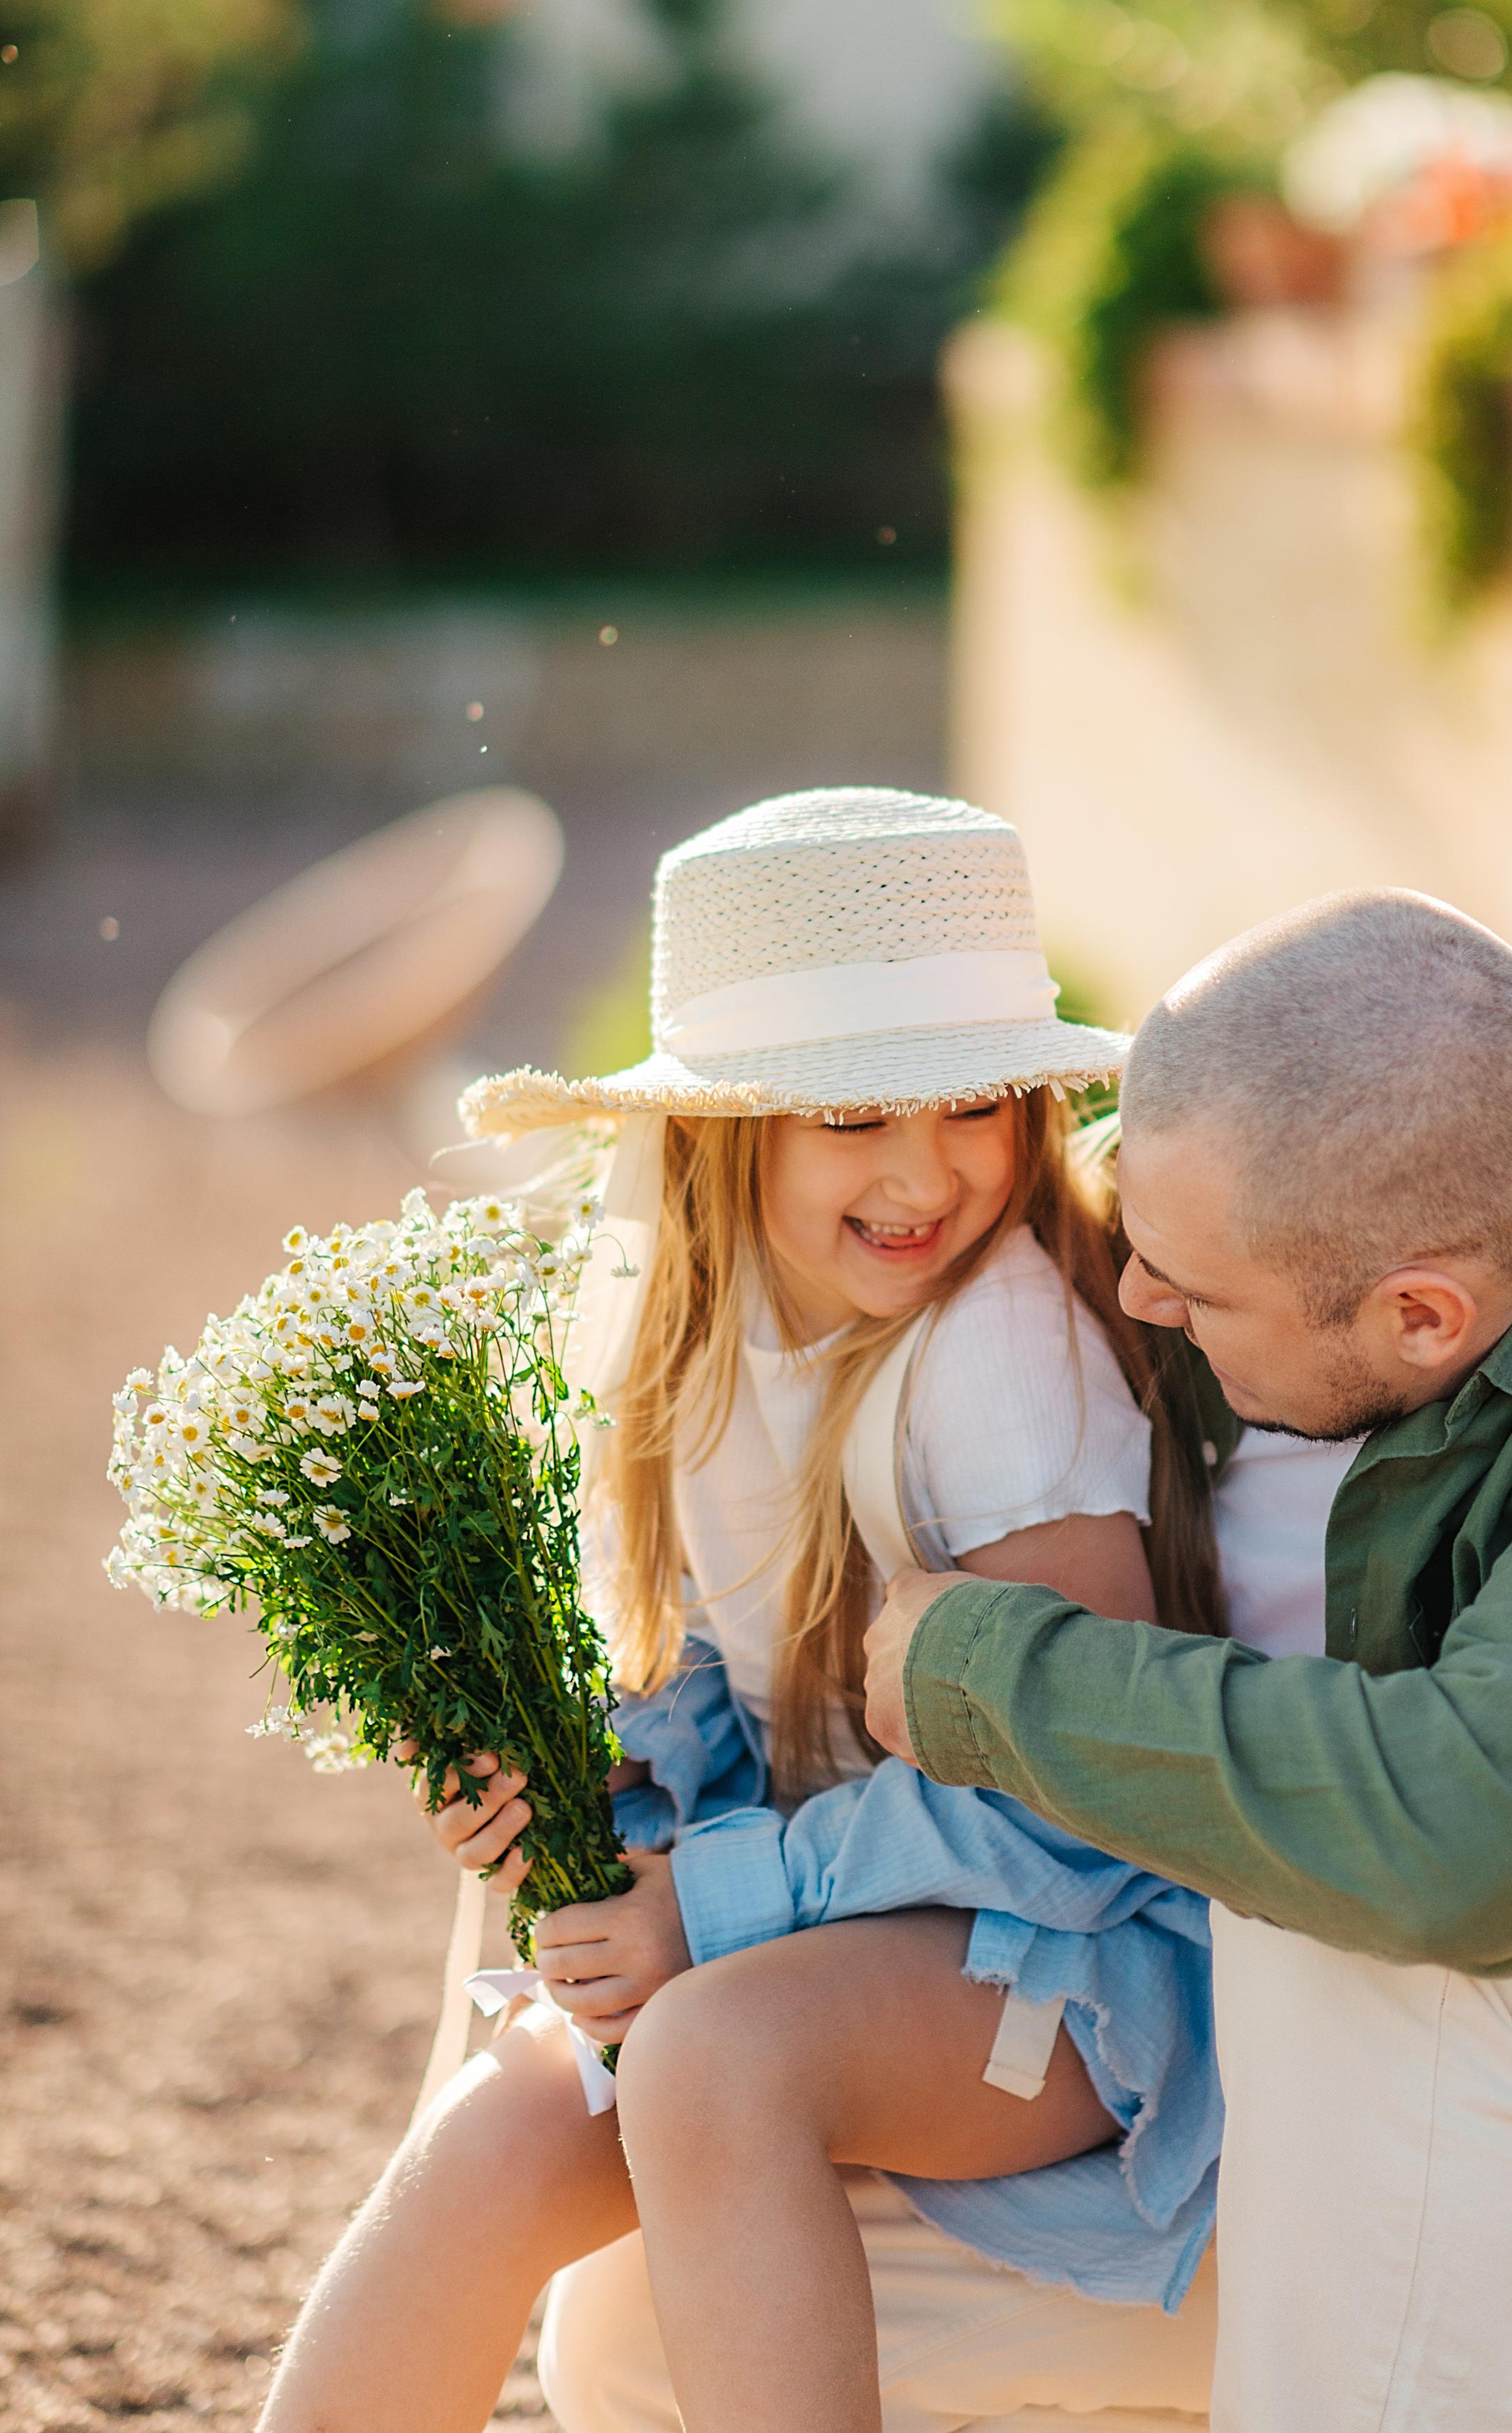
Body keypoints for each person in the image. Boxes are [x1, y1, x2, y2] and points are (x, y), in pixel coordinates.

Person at [867, 887, 1512, 2433]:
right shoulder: (1310, 1244)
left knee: (1360, 1911)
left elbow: (1450, 1847)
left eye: (1184, 1288)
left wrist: (978, 1668)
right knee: (688, 2321)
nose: (1132, 1298)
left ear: (1422, 1316)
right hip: (1458, 2193)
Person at [258, 787, 1229, 2433]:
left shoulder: (995, 1352)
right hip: (848, 1929)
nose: (926, 1169)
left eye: (973, 1104)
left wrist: (712, 1903)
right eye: (848, 1115)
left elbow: (1081, 1787)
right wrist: (588, 1797)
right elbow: (743, 1684)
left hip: (1071, 1963)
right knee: (493, 2140)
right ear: (724, 1133)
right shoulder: (705, 1342)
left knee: (710, 2056)